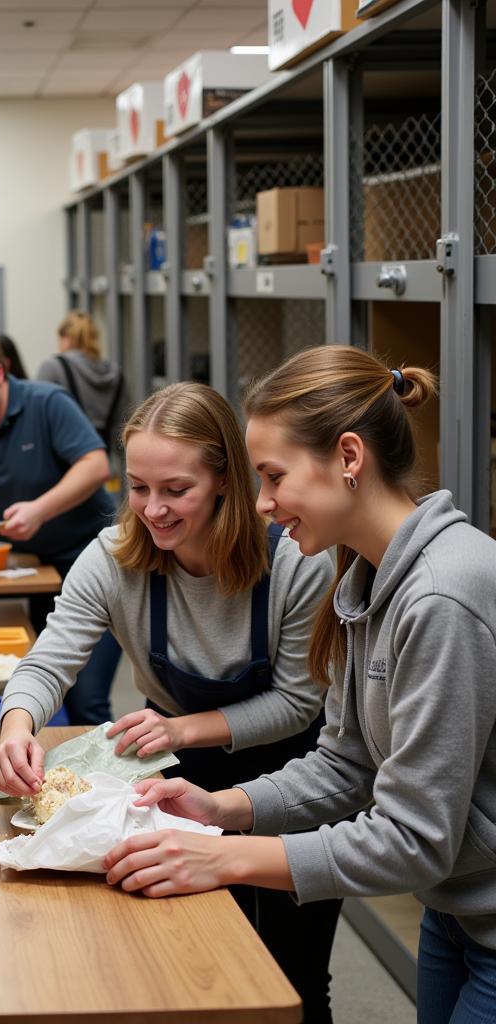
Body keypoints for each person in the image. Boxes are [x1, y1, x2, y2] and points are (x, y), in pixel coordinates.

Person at [104, 347, 496, 1024]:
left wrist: (226, 862)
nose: (260, 503)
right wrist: (221, 809)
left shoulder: (441, 595)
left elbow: (413, 836)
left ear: (348, 457)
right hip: (455, 908)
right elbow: (348, 764)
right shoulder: (363, 580)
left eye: (273, 477)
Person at [0, 380, 340, 1021]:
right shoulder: (115, 557)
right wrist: (17, 725)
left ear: (228, 479)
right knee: (198, 961)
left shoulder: (296, 559)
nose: (153, 510)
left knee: (292, 979)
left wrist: (181, 730)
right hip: (180, 786)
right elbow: (50, 659)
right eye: (139, 487)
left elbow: (297, 704)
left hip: (298, 776)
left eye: (177, 490)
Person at [0, 323, 121, 725]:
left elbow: (95, 464)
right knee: (39, 687)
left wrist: (40, 509)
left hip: (96, 565)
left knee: (87, 699)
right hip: (37, 569)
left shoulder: (47, 403)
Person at [36, 311, 127, 450]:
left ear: (65, 338)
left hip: (64, 459)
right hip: (102, 459)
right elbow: (122, 426)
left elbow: (37, 419)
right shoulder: (115, 374)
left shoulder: (53, 367)